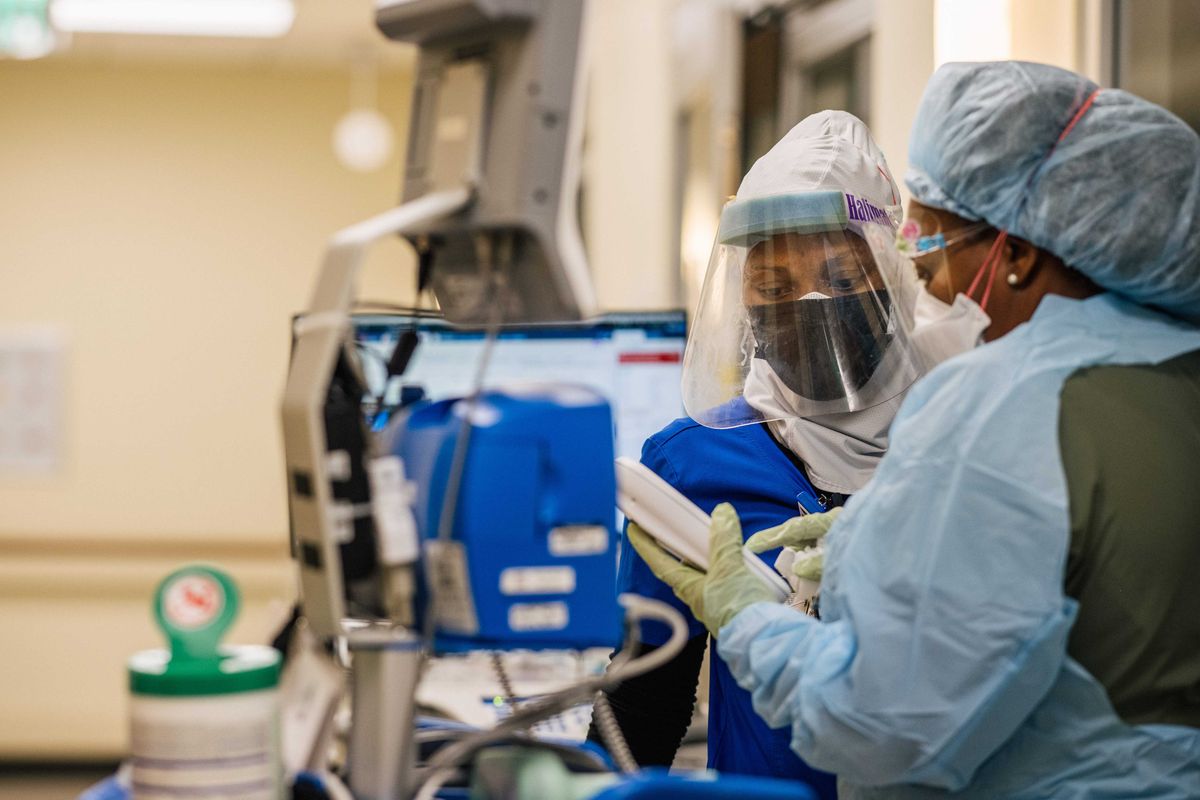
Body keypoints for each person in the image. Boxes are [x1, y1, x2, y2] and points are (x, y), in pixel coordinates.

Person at [631, 60, 1200, 798]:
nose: (930, 281)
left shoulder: (994, 406)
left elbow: (882, 727)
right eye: (769, 287)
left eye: (934, 246)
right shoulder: (1173, 374)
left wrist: (748, 621)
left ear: (1018, 253)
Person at [589, 111, 926, 797]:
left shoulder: (962, 443)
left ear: (892, 273)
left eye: (838, 279)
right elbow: (641, 708)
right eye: (771, 289)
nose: (806, 306)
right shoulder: (695, 465)